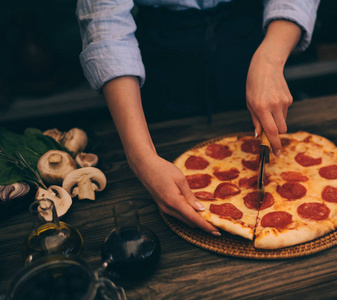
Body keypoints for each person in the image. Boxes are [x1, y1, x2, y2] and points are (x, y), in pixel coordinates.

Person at [76, 0, 320, 236]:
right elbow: (105, 22)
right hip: (161, 61)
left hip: (254, 38)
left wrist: (270, 58)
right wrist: (141, 158)